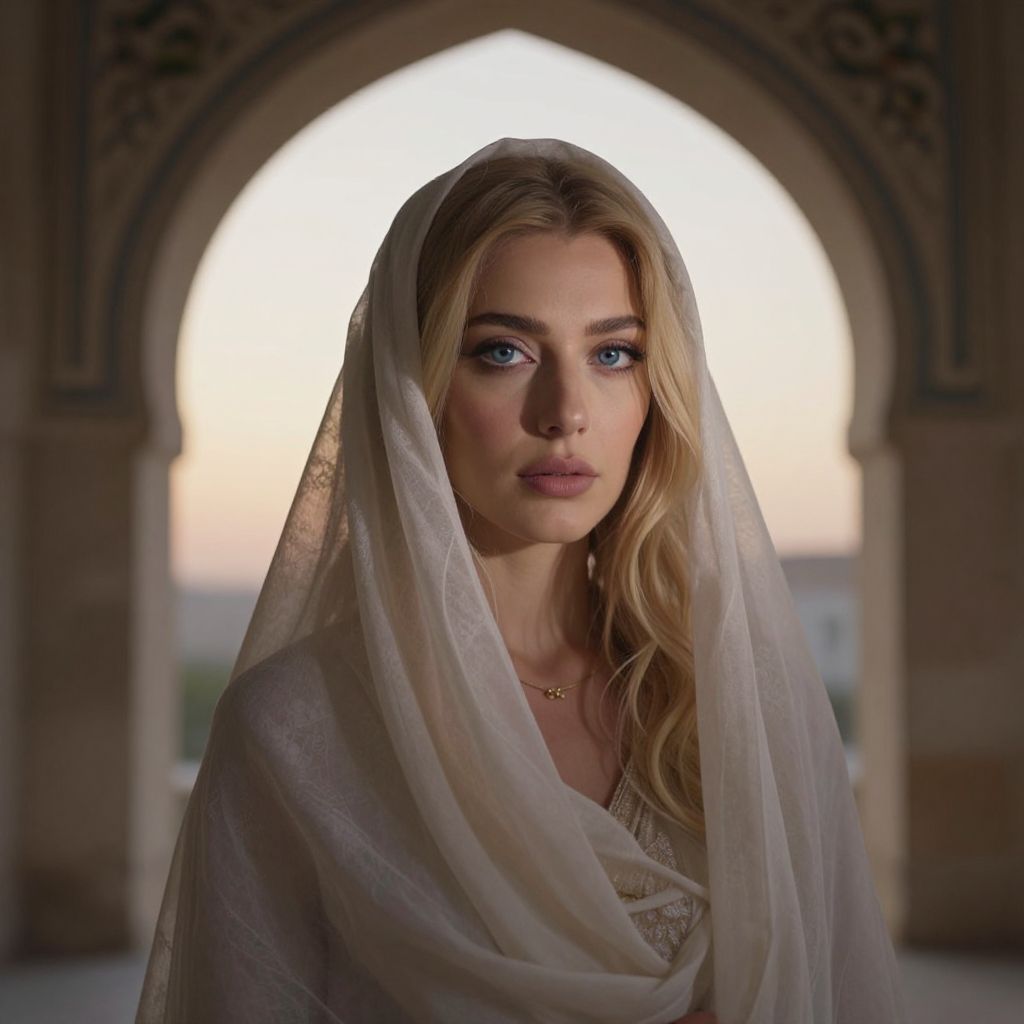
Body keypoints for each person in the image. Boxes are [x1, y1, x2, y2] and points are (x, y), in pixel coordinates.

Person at [135, 137, 909, 1023]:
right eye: (503, 352)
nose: (566, 413)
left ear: (659, 388)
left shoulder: (746, 703)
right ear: (412, 384)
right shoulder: (294, 731)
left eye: (613, 355)